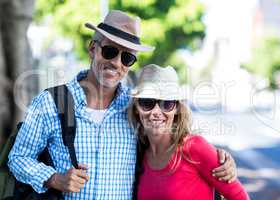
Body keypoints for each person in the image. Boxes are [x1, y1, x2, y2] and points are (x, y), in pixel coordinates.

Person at [8, 10, 237, 199]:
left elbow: (172, 139)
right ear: (92, 49)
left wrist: (219, 159)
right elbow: (18, 158)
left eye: (127, 57)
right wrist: (55, 178)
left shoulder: (137, 107)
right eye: (109, 51)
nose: (116, 63)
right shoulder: (51, 102)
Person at [128, 64, 250, 200]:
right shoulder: (138, 155)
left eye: (166, 104)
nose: (156, 112)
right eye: (147, 102)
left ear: (177, 109)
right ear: (136, 108)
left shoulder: (194, 147)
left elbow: (240, 197)